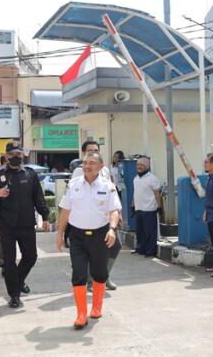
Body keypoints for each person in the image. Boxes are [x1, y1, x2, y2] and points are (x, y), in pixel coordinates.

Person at [57, 151, 121, 330]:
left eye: (91, 163)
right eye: (84, 163)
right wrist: (60, 233)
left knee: (99, 272)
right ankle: (81, 314)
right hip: (77, 236)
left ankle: (97, 307)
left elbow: (114, 211)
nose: (87, 166)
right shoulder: (74, 185)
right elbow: (65, 210)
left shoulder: (108, 187)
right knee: (78, 273)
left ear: (101, 167)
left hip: (100, 235)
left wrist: (112, 229)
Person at [0, 140, 49, 308]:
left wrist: (45, 216)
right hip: (6, 225)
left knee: (31, 257)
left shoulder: (30, 174)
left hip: (27, 223)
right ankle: (14, 295)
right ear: (6, 155)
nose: (15, 157)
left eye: (18, 154)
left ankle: (18, 281)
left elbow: (38, 197)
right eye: (12, 154)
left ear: (23, 155)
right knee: (9, 261)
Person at [70, 140, 122, 290]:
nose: (94, 153)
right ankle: (92, 279)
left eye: (96, 150)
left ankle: (104, 276)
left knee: (115, 246)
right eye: (90, 150)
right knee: (91, 252)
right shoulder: (79, 171)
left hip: (107, 217)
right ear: (83, 153)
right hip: (88, 220)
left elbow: (112, 192)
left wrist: (118, 212)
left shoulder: (104, 170)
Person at [131, 157, 163, 258]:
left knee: (150, 232)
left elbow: (157, 194)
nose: (139, 167)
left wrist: (159, 206)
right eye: (138, 165)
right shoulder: (136, 178)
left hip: (149, 209)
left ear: (147, 166)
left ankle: (150, 251)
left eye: (141, 165)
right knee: (140, 231)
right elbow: (135, 193)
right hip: (139, 208)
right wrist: (132, 204)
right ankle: (140, 249)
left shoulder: (152, 178)